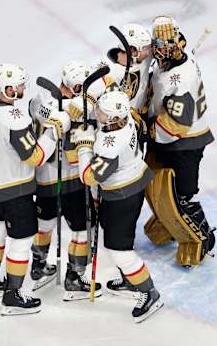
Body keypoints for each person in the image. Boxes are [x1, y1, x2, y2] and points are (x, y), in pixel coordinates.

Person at [0, 63, 71, 315]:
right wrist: (54, 131)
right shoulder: (16, 118)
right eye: (21, 85)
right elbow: (35, 158)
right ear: (10, 88)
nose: (24, 88)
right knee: (21, 239)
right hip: (14, 188)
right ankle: (13, 295)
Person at [74, 90, 163, 323]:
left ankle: (148, 291)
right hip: (132, 183)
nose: (98, 115)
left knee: (118, 249)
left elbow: (88, 176)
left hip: (121, 196)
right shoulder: (127, 117)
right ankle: (129, 280)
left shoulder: (110, 146)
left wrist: (84, 144)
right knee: (119, 239)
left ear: (113, 119)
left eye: (102, 114)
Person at [143, 15, 216, 267]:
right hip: (172, 139)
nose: (159, 50)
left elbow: (178, 123)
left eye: (164, 45)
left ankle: (203, 239)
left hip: (186, 141)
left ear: (175, 43)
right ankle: (170, 224)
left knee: (184, 194)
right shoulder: (174, 59)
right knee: (159, 185)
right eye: (158, 44)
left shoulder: (180, 79)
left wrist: (147, 129)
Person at [29, 60, 102, 300]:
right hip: (70, 178)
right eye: (80, 88)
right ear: (69, 87)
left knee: (45, 224)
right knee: (81, 229)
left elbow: (35, 106)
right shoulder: (74, 107)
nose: (83, 92)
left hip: (44, 179)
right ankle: (74, 277)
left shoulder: (40, 99)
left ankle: (38, 266)